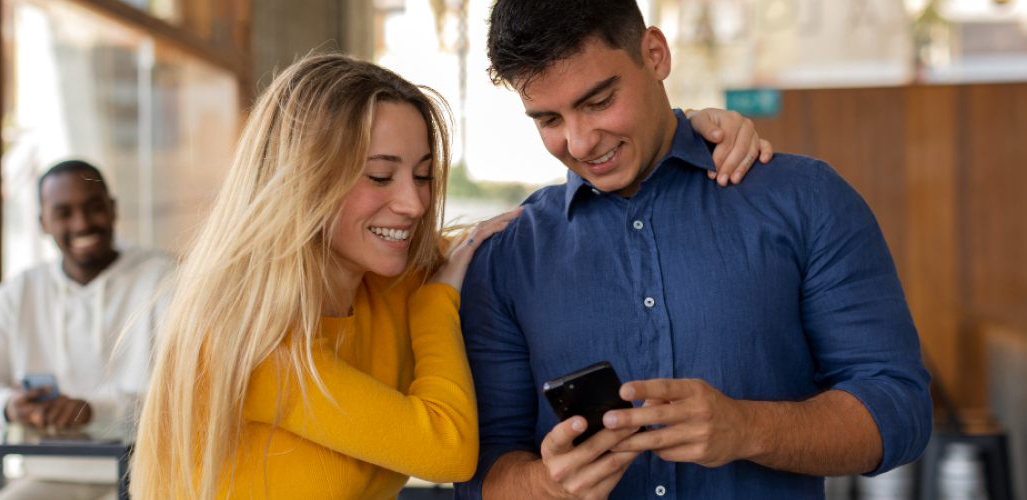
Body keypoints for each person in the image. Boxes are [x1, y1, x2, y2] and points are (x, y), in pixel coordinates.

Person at [128, 52, 769, 500]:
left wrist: (690, 132)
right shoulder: (249, 342)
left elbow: (501, 228)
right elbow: (447, 448)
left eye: (423, 173)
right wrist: (438, 299)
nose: (410, 203)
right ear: (300, 183)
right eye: (379, 176)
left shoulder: (384, 272)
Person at [455, 1, 933, 499]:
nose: (578, 142)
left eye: (598, 101)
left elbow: (898, 409)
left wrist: (747, 428)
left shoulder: (806, 199)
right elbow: (480, 471)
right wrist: (545, 486)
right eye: (549, 119)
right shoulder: (506, 257)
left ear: (656, 55)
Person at [0, 160, 175, 500]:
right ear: (43, 223)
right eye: (64, 213)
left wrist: (95, 410)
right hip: (53, 475)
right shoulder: (21, 292)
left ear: (113, 209)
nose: (82, 223)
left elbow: (190, 395)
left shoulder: (165, 279)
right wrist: (8, 405)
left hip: (146, 478)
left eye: (94, 208)